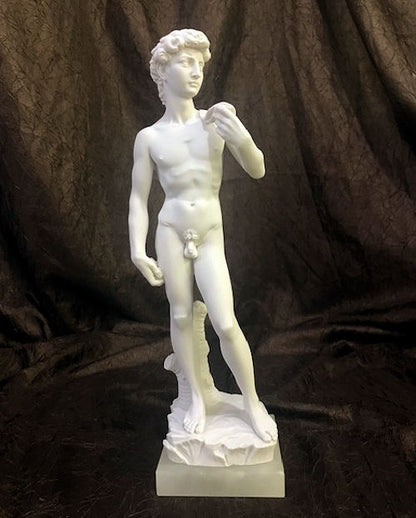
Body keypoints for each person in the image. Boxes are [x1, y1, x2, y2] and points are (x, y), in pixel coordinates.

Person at [128, 29, 277, 442]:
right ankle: (195, 398)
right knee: (180, 315)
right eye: (186, 63)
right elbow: (138, 198)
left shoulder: (215, 121)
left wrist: (241, 137)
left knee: (225, 321)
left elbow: (258, 169)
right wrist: (137, 249)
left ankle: (251, 401)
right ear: (163, 72)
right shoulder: (149, 138)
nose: (196, 72)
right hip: (171, 231)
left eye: (200, 65)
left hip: (209, 232)